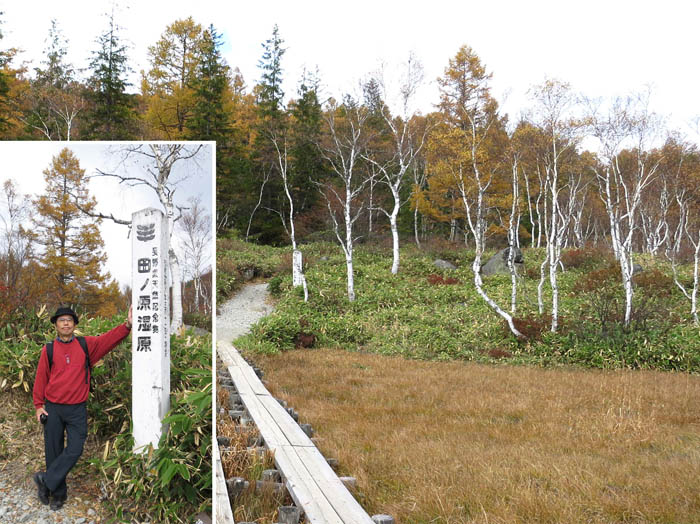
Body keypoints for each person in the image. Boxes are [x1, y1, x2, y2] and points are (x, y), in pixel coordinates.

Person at [32, 305, 133, 510]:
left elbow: (108, 339)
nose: (66, 323)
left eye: (69, 320)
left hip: (77, 408)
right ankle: (57, 495)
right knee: (54, 451)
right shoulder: (49, 349)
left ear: (75, 324)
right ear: (56, 325)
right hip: (53, 408)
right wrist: (38, 406)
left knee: (75, 449)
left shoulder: (86, 345)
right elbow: (41, 378)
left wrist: (128, 325)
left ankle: (45, 480)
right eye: (62, 320)